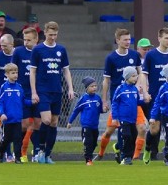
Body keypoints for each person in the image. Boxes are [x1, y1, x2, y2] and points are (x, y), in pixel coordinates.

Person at [96, 29, 147, 161]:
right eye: (125, 40)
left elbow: (141, 72)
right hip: (118, 99)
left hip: (133, 98)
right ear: (117, 40)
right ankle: (112, 151)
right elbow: (106, 80)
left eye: (129, 39)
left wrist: (141, 89)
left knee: (138, 127)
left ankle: (124, 152)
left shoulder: (134, 55)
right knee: (114, 128)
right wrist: (104, 100)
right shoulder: (111, 58)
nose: (127, 42)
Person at [29, 21, 76, 164]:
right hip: (43, 90)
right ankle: (40, 149)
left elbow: (66, 70)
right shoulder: (38, 50)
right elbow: (32, 71)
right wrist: (34, 92)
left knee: (54, 123)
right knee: (46, 120)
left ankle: (48, 154)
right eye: (50, 35)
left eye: (55, 35)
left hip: (57, 90)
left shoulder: (61, 49)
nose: (53, 37)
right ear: (45, 33)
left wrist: (70, 88)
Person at [141, 28, 168, 162]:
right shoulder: (151, 55)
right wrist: (145, 92)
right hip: (155, 98)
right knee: (155, 129)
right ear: (159, 38)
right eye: (166, 38)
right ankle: (148, 148)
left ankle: (166, 155)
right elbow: (144, 75)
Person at [12, 27, 40, 162]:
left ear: (36, 40)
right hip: (23, 92)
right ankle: (19, 151)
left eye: (29, 40)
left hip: (38, 92)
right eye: (24, 39)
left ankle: (36, 151)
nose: (26, 42)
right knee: (23, 124)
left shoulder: (40, 52)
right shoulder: (18, 52)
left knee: (37, 123)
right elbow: (12, 70)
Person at [112, 66, 146, 165]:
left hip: (133, 118)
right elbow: (115, 103)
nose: (136, 78)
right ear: (127, 77)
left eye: (136, 75)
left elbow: (137, 102)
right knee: (126, 136)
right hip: (123, 118)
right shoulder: (120, 89)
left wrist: (145, 100)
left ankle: (119, 148)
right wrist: (115, 117)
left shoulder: (135, 89)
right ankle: (126, 157)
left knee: (133, 137)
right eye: (133, 76)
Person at [67, 76, 104, 166]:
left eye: (95, 86)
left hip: (95, 125)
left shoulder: (98, 98)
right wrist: (70, 122)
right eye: (92, 86)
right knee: (88, 142)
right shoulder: (83, 99)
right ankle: (88, 159)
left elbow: (100, 110)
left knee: (94, 143)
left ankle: (88, 152)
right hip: (86, 125)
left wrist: (105, 109)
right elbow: (76, 111)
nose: (94, 88)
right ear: (87, 88)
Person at [0, 63, 25, 163]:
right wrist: (1, 113)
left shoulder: (19, 87)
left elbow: (23, 100)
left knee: (18, 138)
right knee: (7, 138)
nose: (15, 75)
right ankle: (1, 151)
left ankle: (17, 157)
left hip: (17, 118)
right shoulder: (4, 87)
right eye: (13, 73)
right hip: (8, 119)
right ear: (7, 74)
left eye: (16, 72)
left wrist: (32, 102)